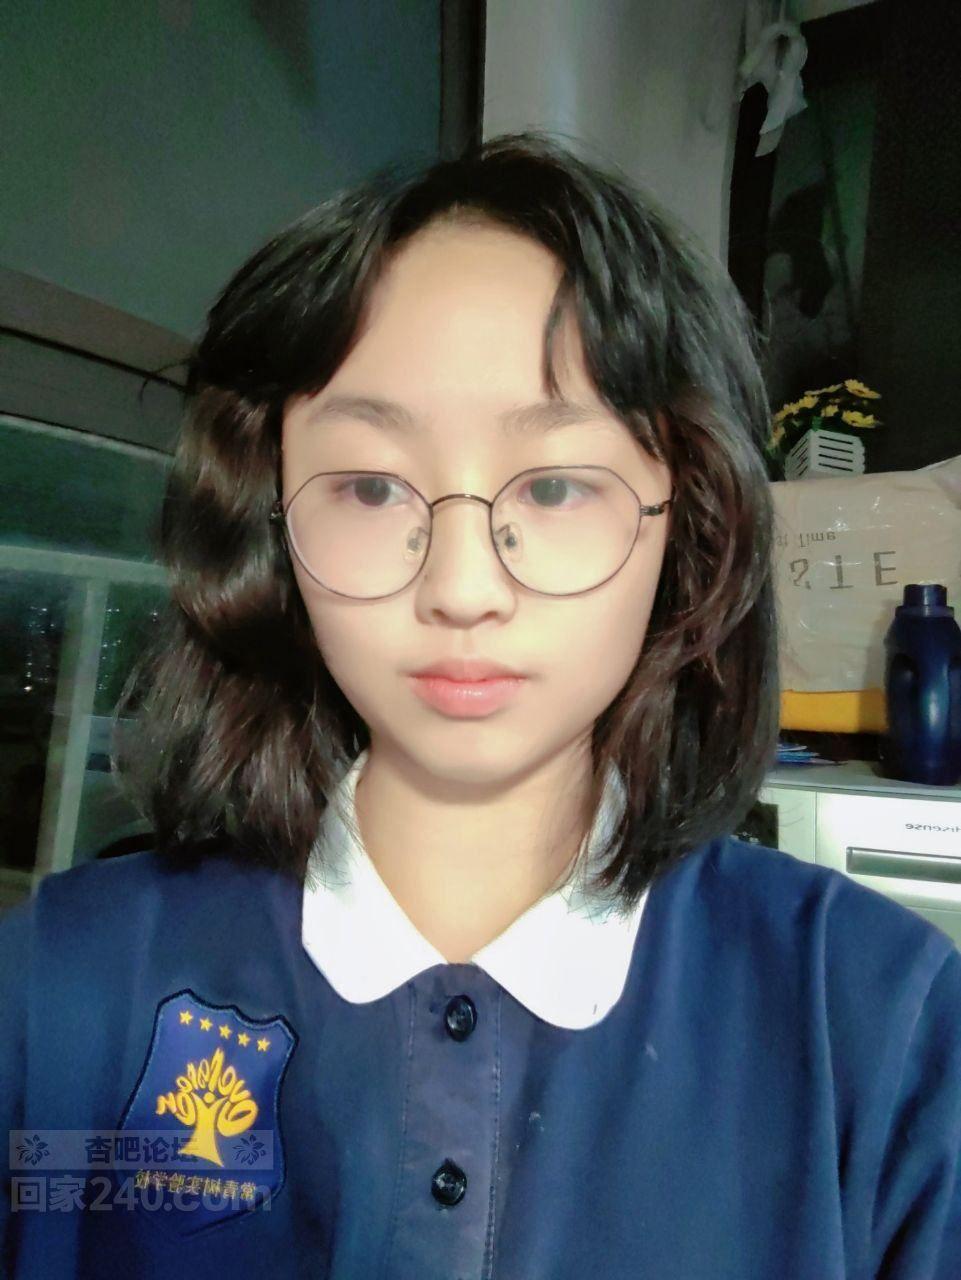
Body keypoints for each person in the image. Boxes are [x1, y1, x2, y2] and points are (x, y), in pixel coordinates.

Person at [2, 132, 959, 1279]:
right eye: (369, 486)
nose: (461, 587)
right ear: (270, 522)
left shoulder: (883, 1027)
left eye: (553, 485)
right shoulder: (60, 982)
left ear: (689, 519)